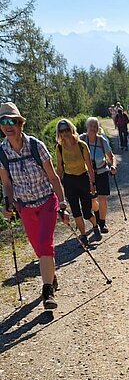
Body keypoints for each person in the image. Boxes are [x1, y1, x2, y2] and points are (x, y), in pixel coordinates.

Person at [0, 102, 69, 310]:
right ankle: (51, 276)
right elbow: (7, 184)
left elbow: (53, 178)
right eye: (3, 122)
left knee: (45, 244)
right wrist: (7, 203)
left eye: (12, 121)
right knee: (39, 249)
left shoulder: (36, 146)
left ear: (20, 123)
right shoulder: (2, 152)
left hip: (47, 202)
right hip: (25, 208)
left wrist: (62, 203)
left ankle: (47, 292)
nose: (8, 126)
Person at [56, 119, 101, 246]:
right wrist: (56, 185)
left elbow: (89, 166)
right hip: (69, 181)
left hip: (83, 179)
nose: (65, 133)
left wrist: (93, 184)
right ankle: (83, 236)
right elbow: (60, 168)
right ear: (59, 133)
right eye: (61, 131)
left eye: (67, 130)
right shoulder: (59, 148)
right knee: (76, 211)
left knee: (87, 212)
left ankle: (95, 225)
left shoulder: (81, 145)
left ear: (71, 129)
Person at [80, 117, 116, 234]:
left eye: (95, 126)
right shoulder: (81, 140)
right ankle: (97, 215)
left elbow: (111, 156)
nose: (93, 128)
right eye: (91, 126)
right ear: (87, 127)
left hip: (102, 172)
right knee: (92, 200)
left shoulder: (102, 141)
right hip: (87, 174)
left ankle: (102, 222)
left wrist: (113, 166)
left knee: (102, 198)